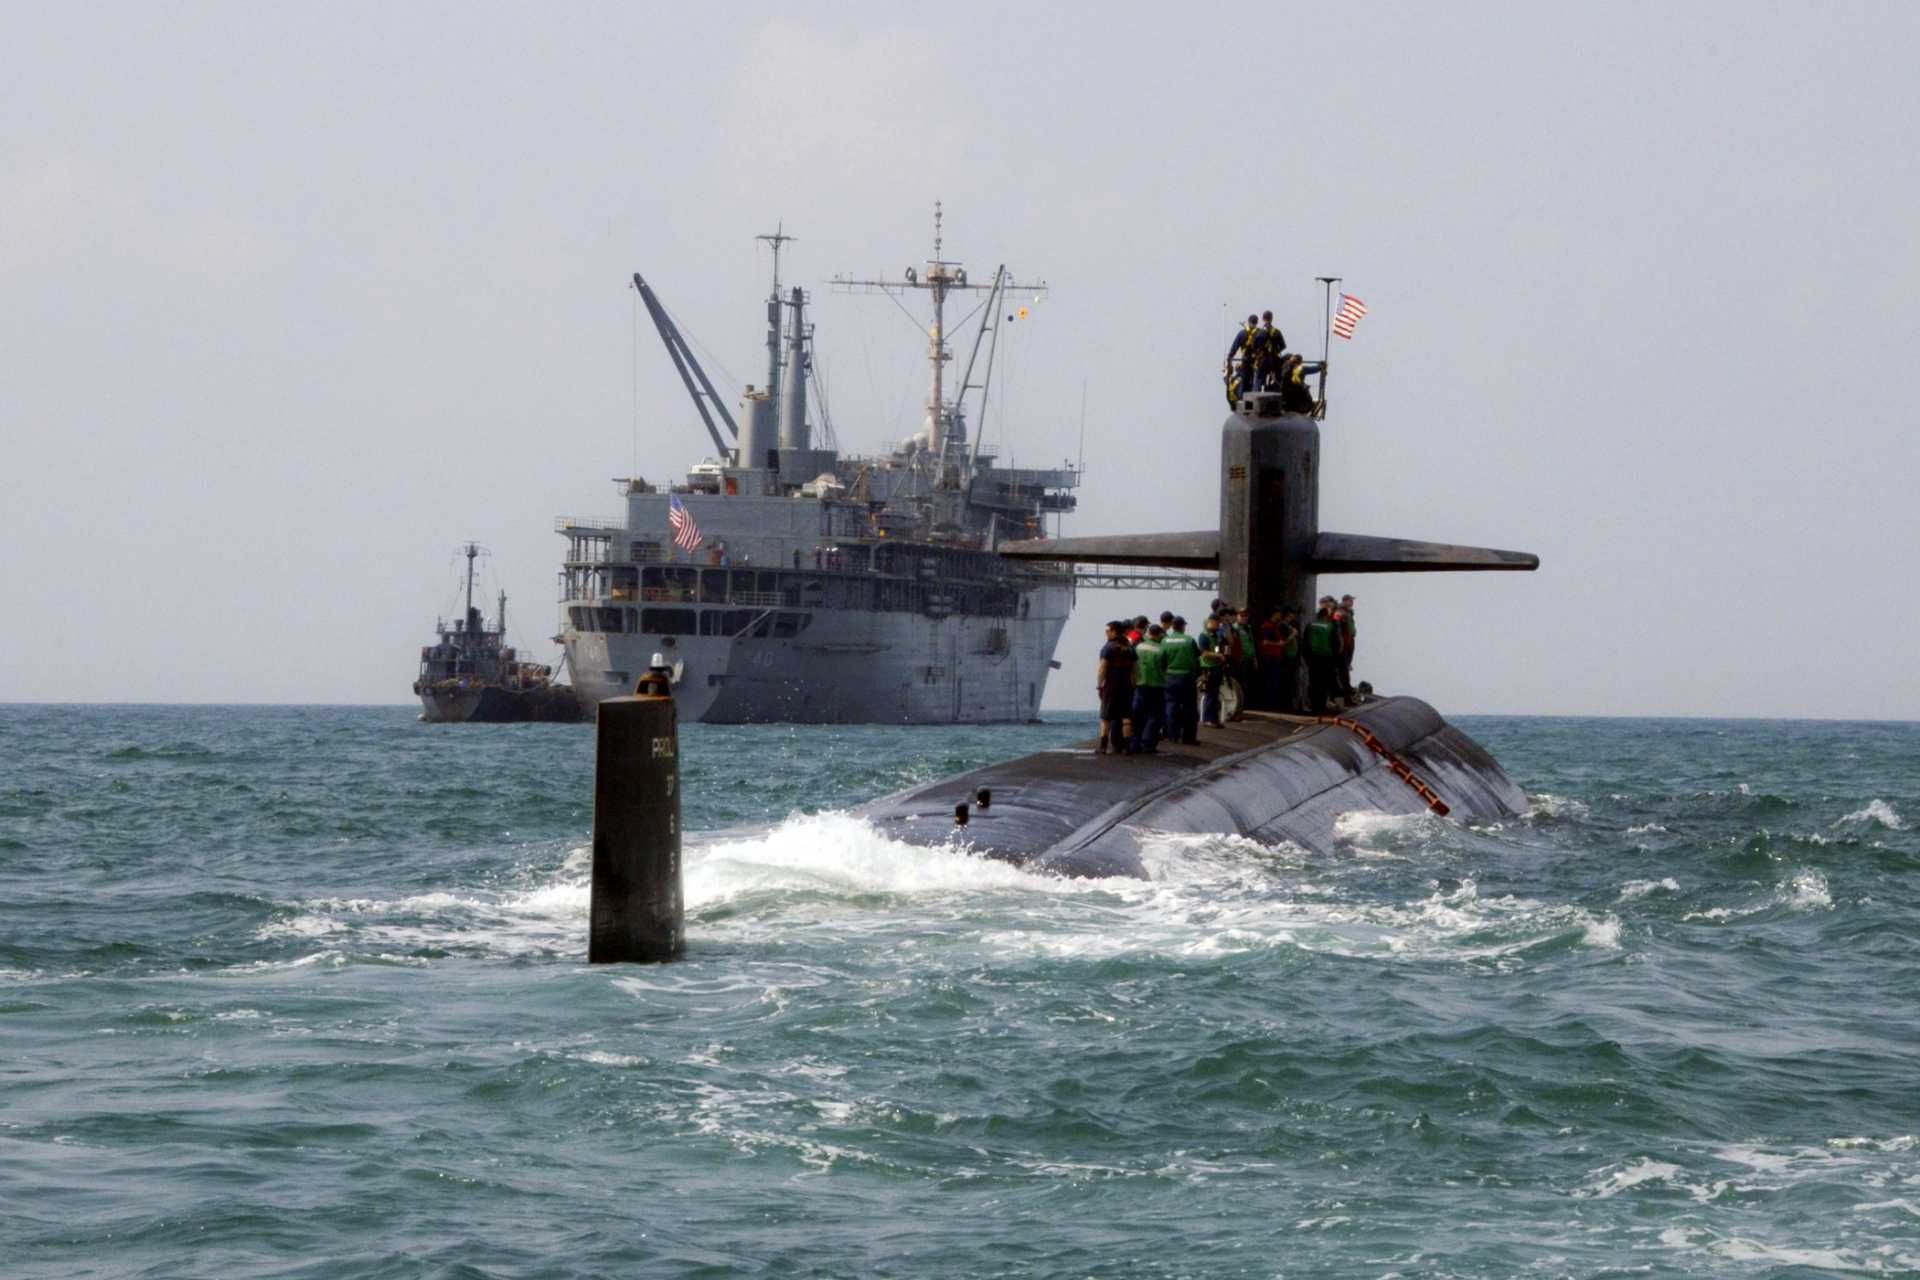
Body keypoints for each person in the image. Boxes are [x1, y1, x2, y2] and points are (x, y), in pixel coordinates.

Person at [1095, 621, 1136, 756]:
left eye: (1108, 630)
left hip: (1111, 686)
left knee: (1106, 717)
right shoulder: (1129, 648)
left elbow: (1103, 668)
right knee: (1126, 717)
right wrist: (1133, 684)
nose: (1106, 633)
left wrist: (1099, 684)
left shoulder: (1108, 648)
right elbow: (1135, 669)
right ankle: (1126, 747)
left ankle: (1103, 747)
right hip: (1126, 686)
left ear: (1114, 632)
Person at [1161, 615, 1201, 744]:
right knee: (1189, 708)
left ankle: (1173, 736)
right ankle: (1189, 738)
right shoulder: (1189, 640)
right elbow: (1197, 657)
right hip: (1187, 677)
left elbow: (1162, 660)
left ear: (1173, 627)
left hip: (1170, 677)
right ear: (1183, 626)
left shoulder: (1165, 641)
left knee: (1171, 706)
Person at [1129, 623, 1168, 755]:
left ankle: (1134, 744)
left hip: (1140, 686)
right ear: (1158, 635)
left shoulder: (1138, 647)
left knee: (1137, 715)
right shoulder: (1161, 650)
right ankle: (1148, 745)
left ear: (1148, 633)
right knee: (1154, 716)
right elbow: (1164, 667)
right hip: (1157, 686)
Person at [1303, 599, 1340, 714]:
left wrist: (1306, 658)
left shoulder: (1310, 625)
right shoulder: (1330, 626)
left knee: (1313, 682)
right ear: (1326, 615)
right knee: (1324, 683)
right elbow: (1335, 644)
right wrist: (1335, 660)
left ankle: (1313, 706)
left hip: (1313, 658)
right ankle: (1321, 707)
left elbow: (1305, 642)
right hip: (1326, 658)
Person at [1198, 615, 1227, 727]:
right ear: (1210, 622)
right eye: (1216, 623)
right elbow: (1204, 652)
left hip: (1217, 667)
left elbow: (1217, 648)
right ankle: (1208, 719)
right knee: (1210, 694)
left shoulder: (1216, 636)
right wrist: (1218, 655)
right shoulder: (1203, 636)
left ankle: (1214, 719)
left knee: (1215, 695)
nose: (1218, 625)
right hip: (1208, 668)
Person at [1223, 314, 1258, 405]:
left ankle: (1244, 401)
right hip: (1257, 361)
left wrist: (1230, 357)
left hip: (1246, 361)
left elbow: (1235, 347)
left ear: (1249, 322)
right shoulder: (1260, 333)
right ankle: (1255, 399)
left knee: (1245, 381)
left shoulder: (1242, 333)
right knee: (1255, 380)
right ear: (1256, 323)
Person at [1254, 310, 1287, 391]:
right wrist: (1276, 351)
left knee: (1260, 379)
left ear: (1262, 319)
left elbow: (1254, 347)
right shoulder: (1277, 332)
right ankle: (1274, 392)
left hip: (1263, 360)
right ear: (1272, 319)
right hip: (1274, 360)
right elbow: (1283, 346)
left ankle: (1259, 394)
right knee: (1276, 378)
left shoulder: (1258, 332)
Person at [1336, 594, 1358, 699]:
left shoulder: (1349, 612)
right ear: (1345, 601)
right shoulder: (1340, 611)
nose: (1352, 602)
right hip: (1344, 643)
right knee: (1343, 668)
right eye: (1350, 600)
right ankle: (1344, 691)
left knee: (1347, 665)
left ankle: (1345, 688)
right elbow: (1336, 623)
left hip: (1350, 642)